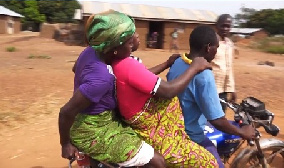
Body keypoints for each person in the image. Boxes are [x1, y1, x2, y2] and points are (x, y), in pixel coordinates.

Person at [100, 16, 218, 167]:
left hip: (165, 127)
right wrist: (194, 67)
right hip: (159, 134)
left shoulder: (120, 63)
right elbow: (168, 91)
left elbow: (142, 76)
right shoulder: (127, 65)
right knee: (209, 162)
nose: (137, 36)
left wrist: (167, 63)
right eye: (133, 34)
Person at [59, 10, 166, 168]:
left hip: (93, 119)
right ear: (114, 48)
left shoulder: (91, 51)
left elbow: (76, 69)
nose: (132, 48)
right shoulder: (102, 78)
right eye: (129, 44)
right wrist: (65, 144)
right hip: (93, 131)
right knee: (158, 162)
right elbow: (66, 111)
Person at [166, 26, 256, 168]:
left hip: (171, 126)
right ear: (208, 48)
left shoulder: (178, 61)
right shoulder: (203, 75)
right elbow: (217, 120)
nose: (217, 51)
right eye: (216, 47)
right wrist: (242, 132)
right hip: (190, 134)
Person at [212, 14, 236, 112]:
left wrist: (232, 89)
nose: (225, 28)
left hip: (223, 91)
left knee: (221, 115)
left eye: (228, 26)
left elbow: (229, 68)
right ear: (216, 26)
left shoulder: (230, 44)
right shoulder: (211, 42)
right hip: (211, 88)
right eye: (223, 25)